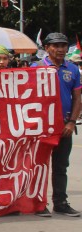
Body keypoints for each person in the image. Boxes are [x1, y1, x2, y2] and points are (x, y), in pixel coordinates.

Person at [32, 33, 81, 217]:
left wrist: (71, 122)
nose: (61, 49)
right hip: (41, 127)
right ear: (46, 47)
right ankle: (37, 203)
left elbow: (77, 98)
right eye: (56, 45)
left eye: (63, 45)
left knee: (61, 166)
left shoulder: (73, 69)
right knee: (38, 166)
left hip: (64, 126)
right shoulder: (36, 67)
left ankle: (60, 202)